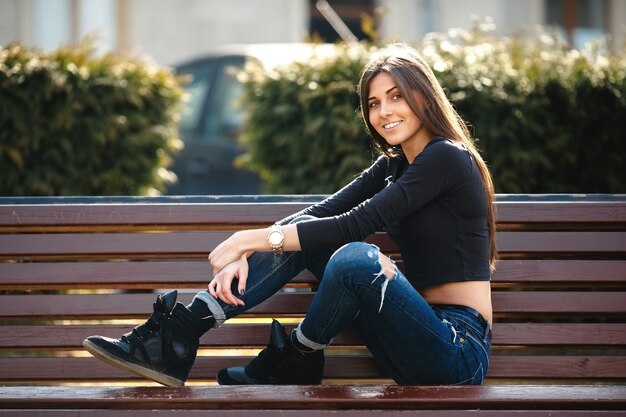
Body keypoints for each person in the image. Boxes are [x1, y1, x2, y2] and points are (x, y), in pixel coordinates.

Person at [83, 43, 497, 387]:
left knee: (355, 257)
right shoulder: (394, 165)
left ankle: (296, 356)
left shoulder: (447, 157)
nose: (384, 111)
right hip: (408, 339)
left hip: (457, 351)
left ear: (423, 96)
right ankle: (179, 334)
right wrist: (257, 243)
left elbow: (355, 224)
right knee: (308, 235)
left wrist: (249, 240)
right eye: (374, 103)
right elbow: (323, 213)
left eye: (396, 96)